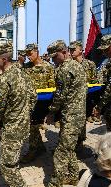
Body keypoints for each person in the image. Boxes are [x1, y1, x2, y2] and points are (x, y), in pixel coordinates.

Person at [0, 43, 35, 187]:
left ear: (4, 59)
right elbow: (33, 96)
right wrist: (25, 113)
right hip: (23, 123)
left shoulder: (4, 80)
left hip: (11, 127)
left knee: (7, 165)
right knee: (13, 159)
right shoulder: (22, 73)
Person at [46, 40, 87, 186]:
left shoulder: (65, 69)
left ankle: (55, 182)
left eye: (55, 56)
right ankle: (73, 176)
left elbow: (60, 95)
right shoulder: (78, 66)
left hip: (71, 115)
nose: (53, 60)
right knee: (69, 147)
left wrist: (51, 112)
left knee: (61, 151)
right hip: (77, 114)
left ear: (64, 52)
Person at [20, 43, 55, 164]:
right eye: (27, 55)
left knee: (35, 126)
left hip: (44, 103)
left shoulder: (48, 67)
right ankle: (35, 148)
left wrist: (51, 109)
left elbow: (52, 87)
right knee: (31, 126)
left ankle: (39, 148)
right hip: (31, 103)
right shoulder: (25, 68)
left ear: (37, 52)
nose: (29, 57)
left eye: (30, 54)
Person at [69, 41, 99, 151]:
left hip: (86, 98)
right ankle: (70, 145)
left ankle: (80, 145)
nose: (71, 51)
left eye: (74, 49)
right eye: (70, 49)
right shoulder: (69, 65)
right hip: (72, 99)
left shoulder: (90, 64)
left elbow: (95, 82)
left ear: (81, 50)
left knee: (82, 123)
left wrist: (94, 103)